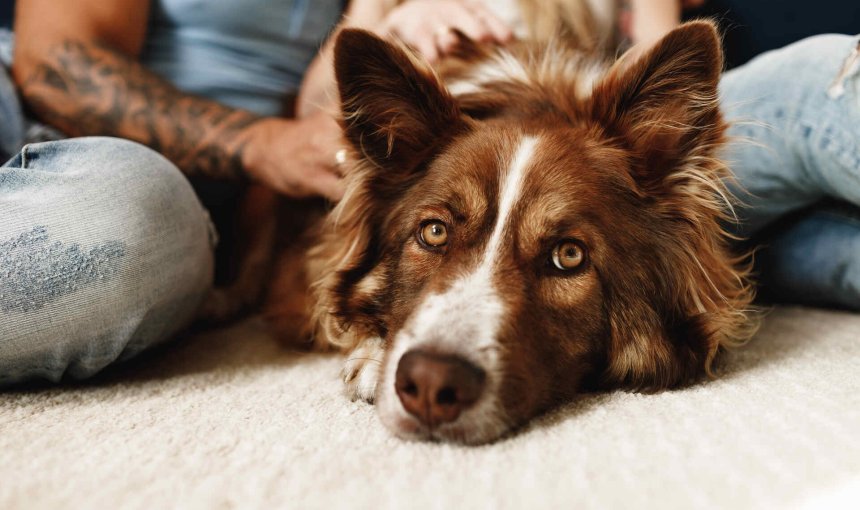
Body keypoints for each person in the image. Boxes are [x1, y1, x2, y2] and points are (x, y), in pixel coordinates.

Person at [1, 0, 858, 386]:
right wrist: (381, 34)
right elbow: (51, 61)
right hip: (59, 132)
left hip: (550, 129)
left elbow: (655, 58)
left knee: (811, 93)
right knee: (127, 224)